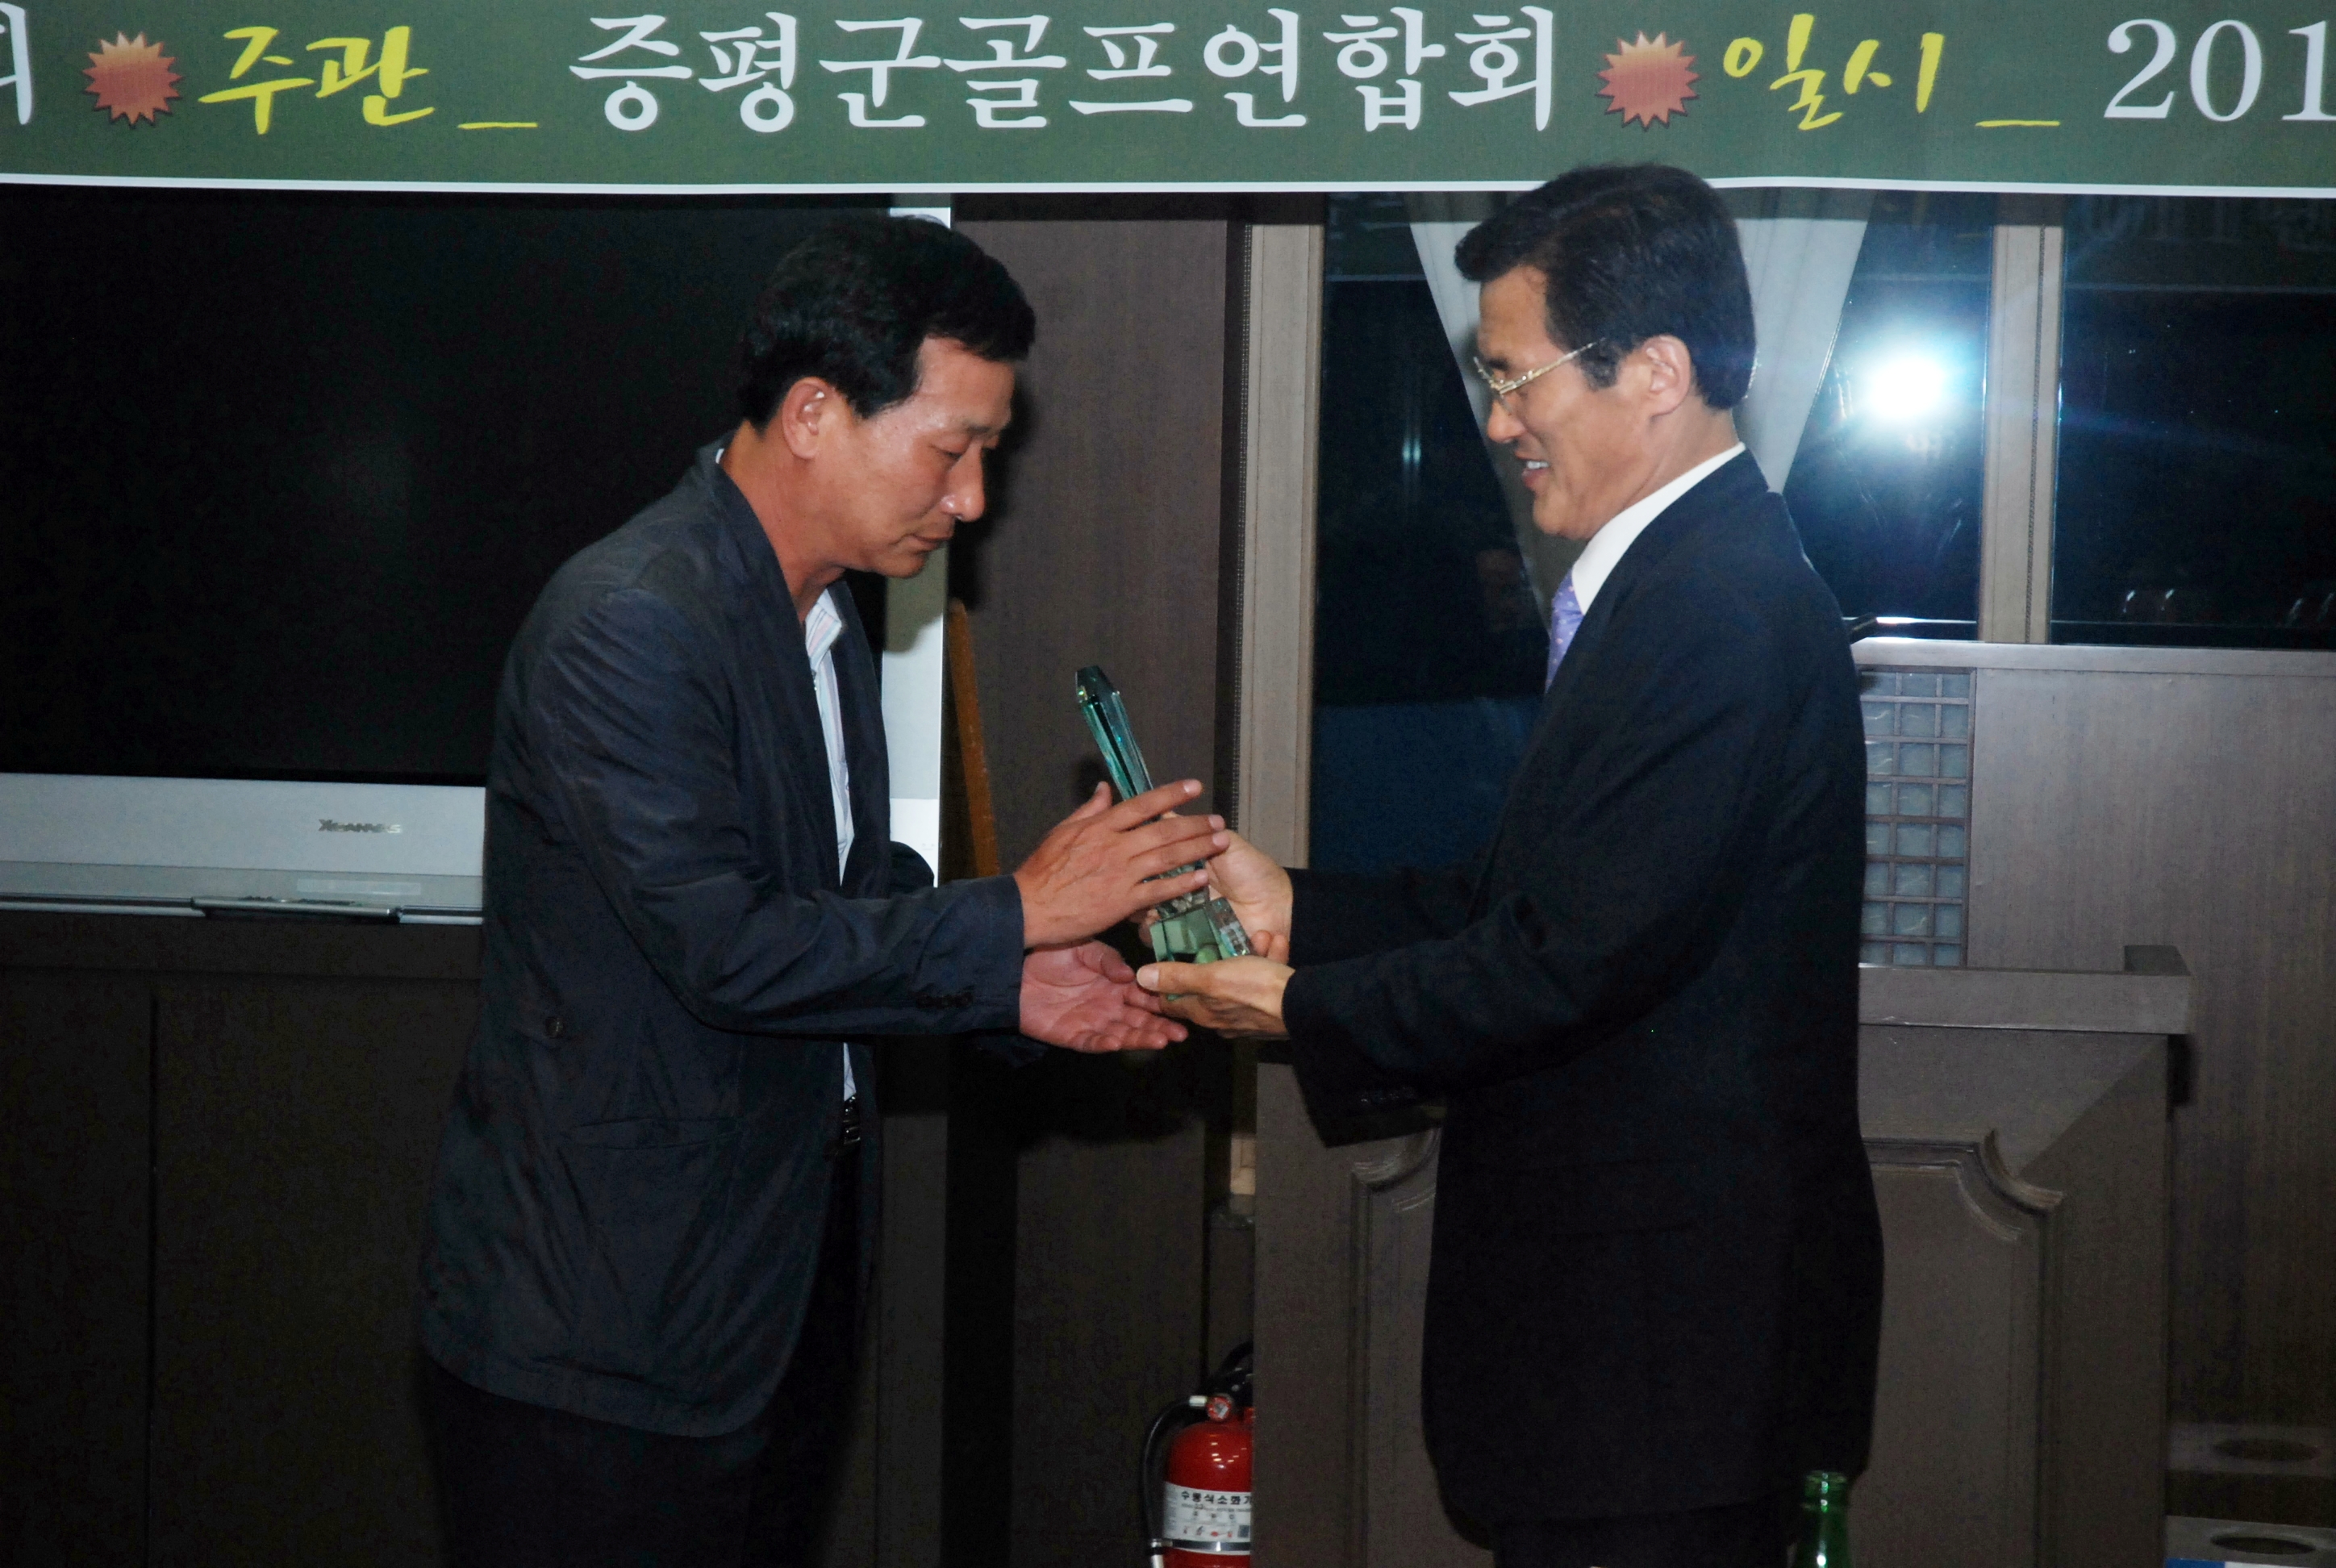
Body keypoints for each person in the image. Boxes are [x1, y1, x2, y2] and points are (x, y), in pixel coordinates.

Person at [417, 215, 1226, 1567]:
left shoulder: (826, 609)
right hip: (603, 1336)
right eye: (951, 449)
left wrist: (1011, 981)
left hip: (768, 1295)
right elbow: (728, 947)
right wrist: (1019, 911)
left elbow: (844, 892)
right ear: (812, 414)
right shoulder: (631, 621)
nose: (970, 500)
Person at [1144, 164, 1884, 1568]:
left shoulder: (1714, 611)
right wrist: (1296, 907)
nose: (1497, 423)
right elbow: (1531, 902)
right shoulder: (1676, 581)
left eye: (1515, 377)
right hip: (1639, 1354)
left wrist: (1295, 1007)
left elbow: (1568, 960)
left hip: (1660, 1356)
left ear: (1655, 371)